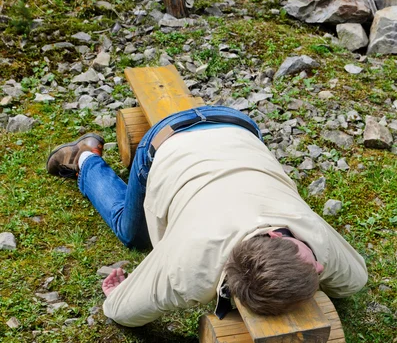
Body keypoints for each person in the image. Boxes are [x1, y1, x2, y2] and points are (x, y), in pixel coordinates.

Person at [46, 105, 368, 327]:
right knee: (133, 235)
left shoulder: (306, 237)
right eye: (315, 265)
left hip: (236, 125)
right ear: (274, 234)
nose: (322, 266)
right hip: (164, 142)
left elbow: (353, 277)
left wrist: (295, 278)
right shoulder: (188, 269)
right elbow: (117, 310)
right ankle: (84, 158)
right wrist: (121, 295)